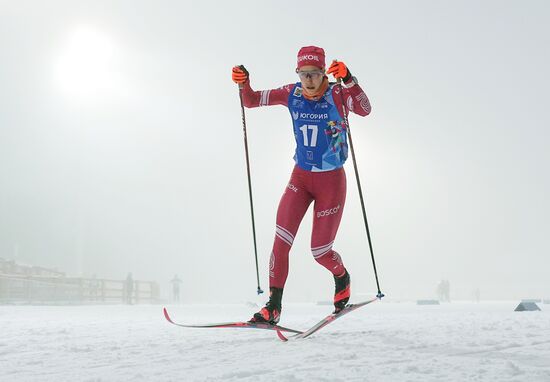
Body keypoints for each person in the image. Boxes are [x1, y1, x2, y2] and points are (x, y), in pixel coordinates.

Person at [232, 46, 372, 324]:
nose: (308, 80)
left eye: (315, 74)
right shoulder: (291, 93)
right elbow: (249, 101)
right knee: (281, 240)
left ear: (324, 74)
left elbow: (366, 110)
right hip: (300, 177)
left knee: (320, 252)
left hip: (331, 181)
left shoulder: (338, 94)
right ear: (298, 74)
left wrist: (350, 80)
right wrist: (243, 82)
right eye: (304, 74)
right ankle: (272, 306)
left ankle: (341, 276)